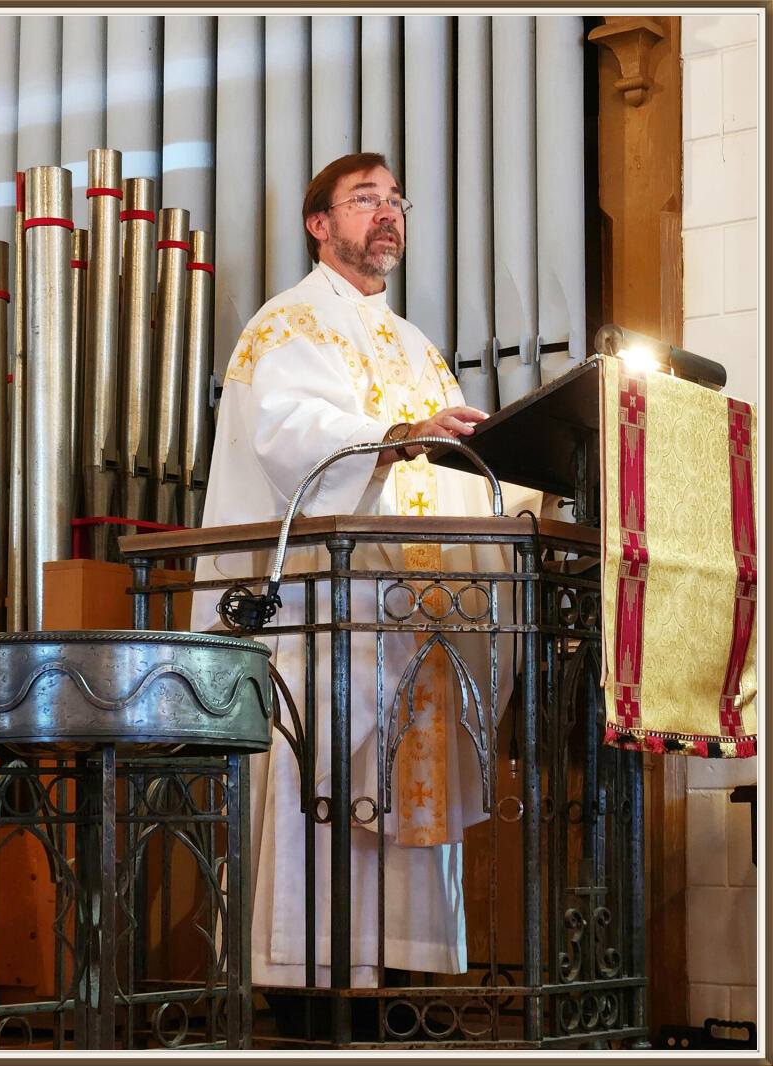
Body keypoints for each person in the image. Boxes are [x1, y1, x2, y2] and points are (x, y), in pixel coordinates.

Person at [191, 153, 541, 992]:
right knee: (325, 781)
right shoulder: (288, 325)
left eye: (396, 202)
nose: (387, 215)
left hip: (418, 614)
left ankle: (404, 980)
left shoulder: (419, 348)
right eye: (364, 201)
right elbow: (291, 436)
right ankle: (309, 987)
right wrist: (400, 433)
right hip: (326, 609)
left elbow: (449, 463)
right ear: (320, 224)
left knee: (407, 787)